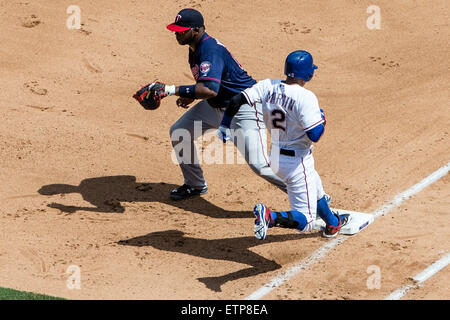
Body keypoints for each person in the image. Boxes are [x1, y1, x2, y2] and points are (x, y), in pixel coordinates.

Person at [140, 8, 287, 200]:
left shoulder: (210, 50)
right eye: (176, 30)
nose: (177, 34)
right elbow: (210, 84)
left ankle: (311, 196)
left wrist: (169, 89)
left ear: (196, 30)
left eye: (182, 30)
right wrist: (193, 94)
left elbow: (209, 89)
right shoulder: (195, 48)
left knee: (260, 165)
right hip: (214, 105)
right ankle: (195, 185)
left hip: (242, 109)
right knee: (179, 131)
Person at [216, 50, 349, 238]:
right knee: (307, 221)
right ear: (309, 74)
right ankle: (271, 217)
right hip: (297, 163)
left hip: (276, 158)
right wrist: (322, 118)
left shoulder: (267, 85)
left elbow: (236, 100)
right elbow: (315, 135)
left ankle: (333, 224)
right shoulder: (306, 97)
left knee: (316, 187)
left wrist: (224, 126)